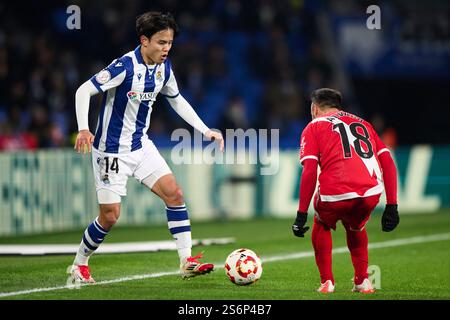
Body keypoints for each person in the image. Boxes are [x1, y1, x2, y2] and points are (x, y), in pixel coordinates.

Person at [67, 12, 224, 286]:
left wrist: (205, 130)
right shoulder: (124, 67)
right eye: (161, 42)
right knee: (110, 216)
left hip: (141, 146)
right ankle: (79, 263)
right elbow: (83, 91)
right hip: (111, 152)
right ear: (144, 40)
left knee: (174, 193)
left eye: (170, 43)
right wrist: (83, 128)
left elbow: (176, 100)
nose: (166, 48)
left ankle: (186, 261)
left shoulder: (164, 68)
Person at [292, 88, 399, 294]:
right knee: (356, 226)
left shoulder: (313, 127)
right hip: (370, 193)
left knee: (321, 222)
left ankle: (327, 283)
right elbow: (387, 161)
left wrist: (301, 213)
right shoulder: (364, 123)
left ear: (314, 108)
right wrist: (392, 205)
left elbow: (310, 170)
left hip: (336, 193)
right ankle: (362, 282)